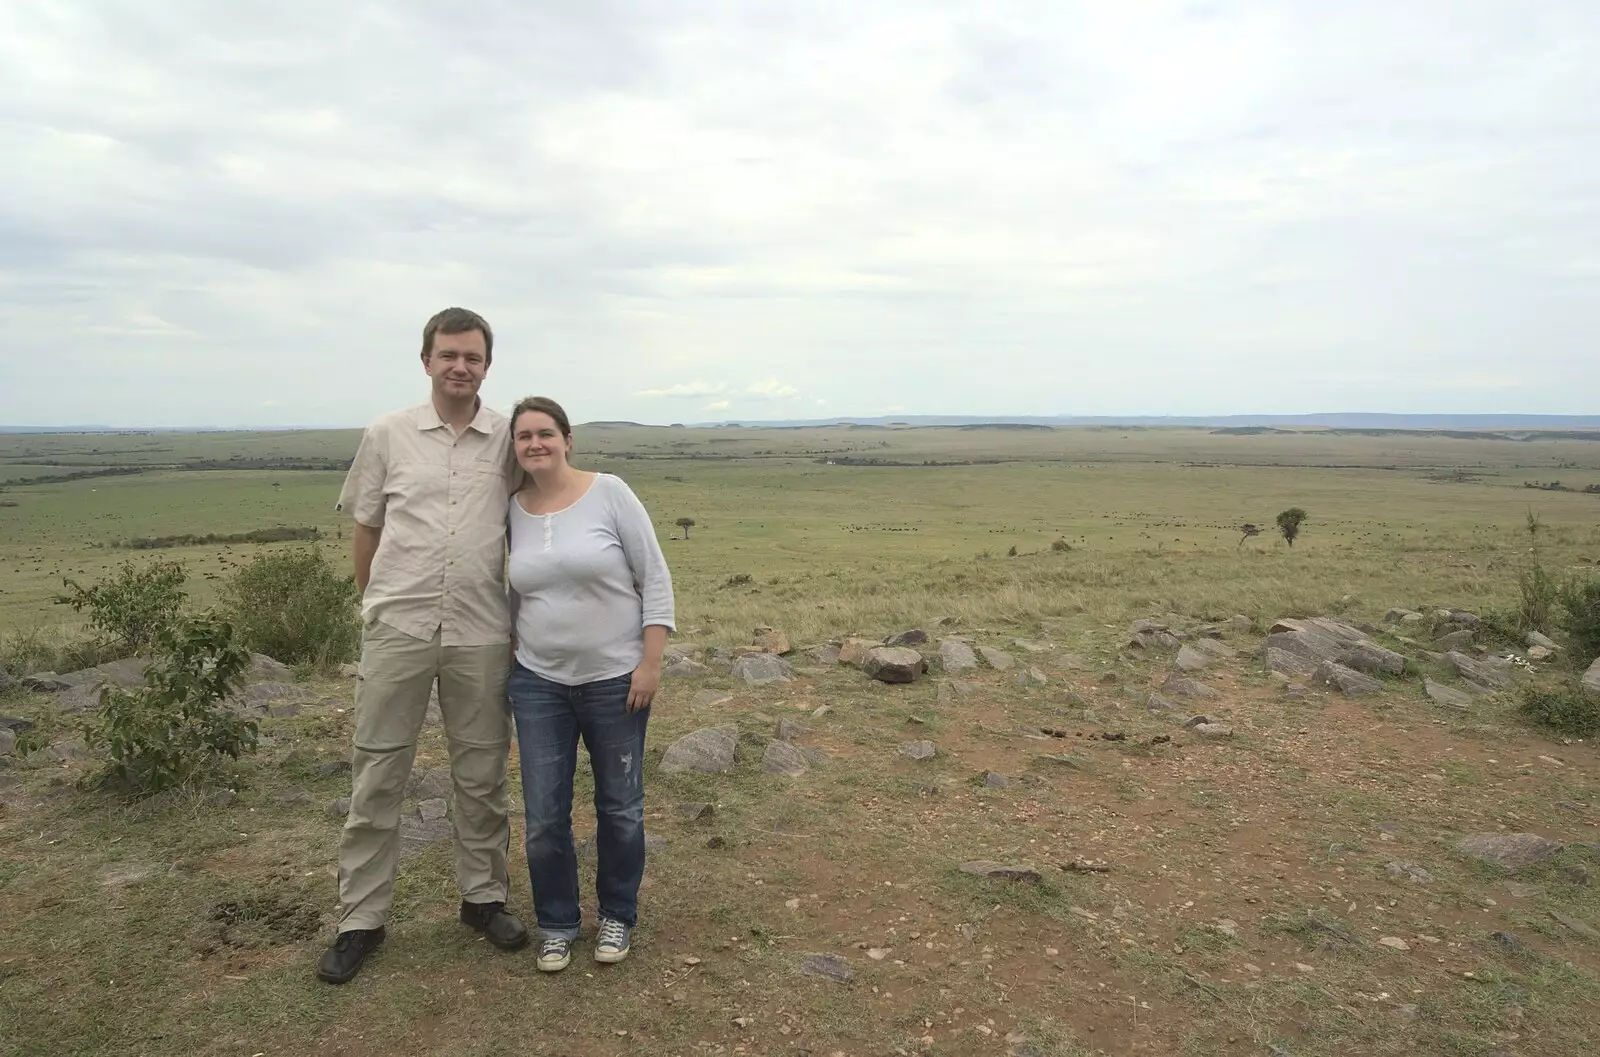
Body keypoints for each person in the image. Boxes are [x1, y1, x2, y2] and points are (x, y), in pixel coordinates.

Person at [317, 307, 529, 985]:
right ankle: (361, 918)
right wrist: (375, 605)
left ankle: (483, 897)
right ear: (427, 360)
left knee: (481, 771)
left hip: (480, 629)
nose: (459, 366)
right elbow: (367, 528)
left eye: (472, 356)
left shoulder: (508, 440)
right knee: (378, 771)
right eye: (448, 355)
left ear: (487, 366)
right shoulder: (388, 434)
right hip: (399, 626)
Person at [504, 396, 674, 972]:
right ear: (515, 446)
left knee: (620, 807)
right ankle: (556, 921)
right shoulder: (512, 509)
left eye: (545, 433)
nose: (535, 444)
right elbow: (509, 596)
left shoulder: (610, 492)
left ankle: (617, 916)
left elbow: (654, 577)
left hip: (615, 681)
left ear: (567, 439)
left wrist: (649, 664)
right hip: (538, 683)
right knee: (544, 814)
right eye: (524, 436)